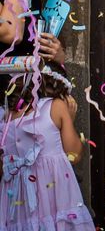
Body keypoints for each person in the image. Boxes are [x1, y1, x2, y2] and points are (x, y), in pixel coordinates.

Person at [0, 61, 94, 230]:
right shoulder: (56, 107)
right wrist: (69, 120)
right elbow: (74, 155)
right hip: (53, 194)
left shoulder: (6, 117)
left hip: (17, 201)